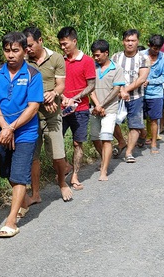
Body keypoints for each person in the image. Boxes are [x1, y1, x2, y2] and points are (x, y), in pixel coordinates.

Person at [0, 32, 43, 238]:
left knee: (19, 175)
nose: (10, 55)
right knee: (7, 173)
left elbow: (33, 106)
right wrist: (4, 127)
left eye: (15, 50)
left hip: (25, 133)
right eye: (7, 50)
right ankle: (25, 200)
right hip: (2, 132)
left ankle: (11, 221)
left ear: (24, 51)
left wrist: (12, 128)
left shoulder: (32, 74)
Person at [20, 26, 73, 214]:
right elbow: (22, 89)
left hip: (53, 115)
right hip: (31, 116)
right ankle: (35, 194)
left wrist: (54, 94)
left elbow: (60, 85)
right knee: (34, 157)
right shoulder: (23, 62)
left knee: (58, 155)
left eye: (31, 45)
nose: (28, 49)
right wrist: (43, 97)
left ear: (40, 41)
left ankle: (62, 183)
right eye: (25, 46)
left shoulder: (56, 58)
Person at [58, 26, 96, 190]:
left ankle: (75, 175)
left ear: (74, 41)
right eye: (61, 44)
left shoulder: (87, 61)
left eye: (65, 43)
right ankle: (65, 166)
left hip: (80, 109)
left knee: (77, 142)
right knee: (57, 141)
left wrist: (75, 97)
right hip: (61, 108)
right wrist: (63, 97)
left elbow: (92, 85)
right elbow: (56, 83)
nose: (63, 47)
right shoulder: (60, 61)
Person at [89, 40, 125, 181]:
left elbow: (116, 90)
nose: (96, 58)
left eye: (98, 55)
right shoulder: (92, 67)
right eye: (94, 55)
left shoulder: (117, 68)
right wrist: (97, 105)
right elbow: (90, 87)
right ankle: (103, 158)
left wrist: (102, 105)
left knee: (106, 138)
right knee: (94, 138)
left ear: (106, 53)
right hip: (95, 109)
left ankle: (104, 170)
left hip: (110, 109)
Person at [112, 29, 149, 163]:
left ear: (137, 41)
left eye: (133, 40)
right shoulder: (116, 57)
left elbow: (142, 78)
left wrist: (125, 90)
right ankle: (121, 142)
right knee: (112, 121)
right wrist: (121, 90)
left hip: (136, 96)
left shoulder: (143, 58)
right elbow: (113, 75)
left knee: (134, 125)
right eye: (127, 40)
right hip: (117, 96)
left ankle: (128, 152)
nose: (130, 43)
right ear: (123, 42)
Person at [138, 34, 164, 155]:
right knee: (138, 118)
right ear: (149, 45)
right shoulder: (141, 55)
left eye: (158, 48)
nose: (156, 50)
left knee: (154, 119)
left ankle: (153, 143)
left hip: (155, 93)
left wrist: (150, 81)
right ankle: (142, 135)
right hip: (140, 92)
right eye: (154, 48)